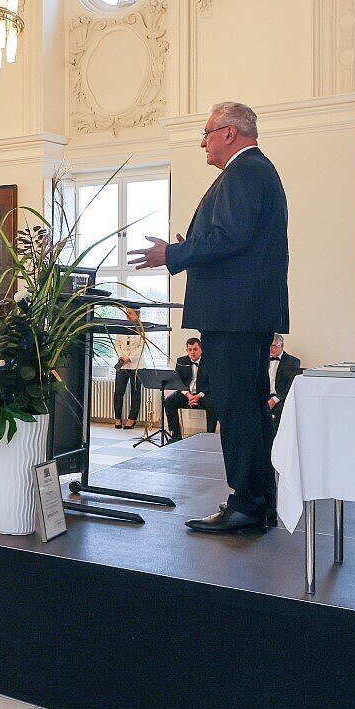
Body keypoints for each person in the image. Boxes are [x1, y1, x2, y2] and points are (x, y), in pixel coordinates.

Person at [132, 101, 289, 535]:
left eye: (206, 133)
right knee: (248, 408)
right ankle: (256, 501)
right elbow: (234, 241)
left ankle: (247, 503)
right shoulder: (252, 172)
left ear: (229, 133)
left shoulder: (244, 172)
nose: (202, 141)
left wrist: (175, 253)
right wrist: (194, 246)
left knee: (238, 408)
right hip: (242, 312)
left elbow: (230, 237)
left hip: (234, 315)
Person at [109, 306, 159, 430]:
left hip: (137, 364)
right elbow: (117, 344)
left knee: (135, 393)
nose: (128, 314)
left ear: (136, 314)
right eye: (127, 312)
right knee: (118, 391)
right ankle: (117, 418)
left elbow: (142, 347)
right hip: (122, 363)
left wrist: (130, 358)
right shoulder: (122, 326)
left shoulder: (143, 328)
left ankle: (132, 419)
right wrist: (122, 357)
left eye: (130, 313)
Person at [162, 335, 207, 441]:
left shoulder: (209, 361)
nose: (192, 352)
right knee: (169, 401)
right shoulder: (181, 361)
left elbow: (211, 383)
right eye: (189, 350)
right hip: (187, 393)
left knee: (213, 403)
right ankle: (176, 434)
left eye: (195, 349)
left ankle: (210, 434)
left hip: (203, 393)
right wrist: (189, 396)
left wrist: (198, 396)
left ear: (201, 349)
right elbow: (178, 381)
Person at [266, 334, 303, 430]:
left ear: (282, 346)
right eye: (269, 345)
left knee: (282, 410)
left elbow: (291, 385)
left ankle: (276, 442)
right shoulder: (262, 360)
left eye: (274, 346)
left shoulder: (292, 361)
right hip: (264, 395)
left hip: (280, 397)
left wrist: (274, 400)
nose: (271, 349)